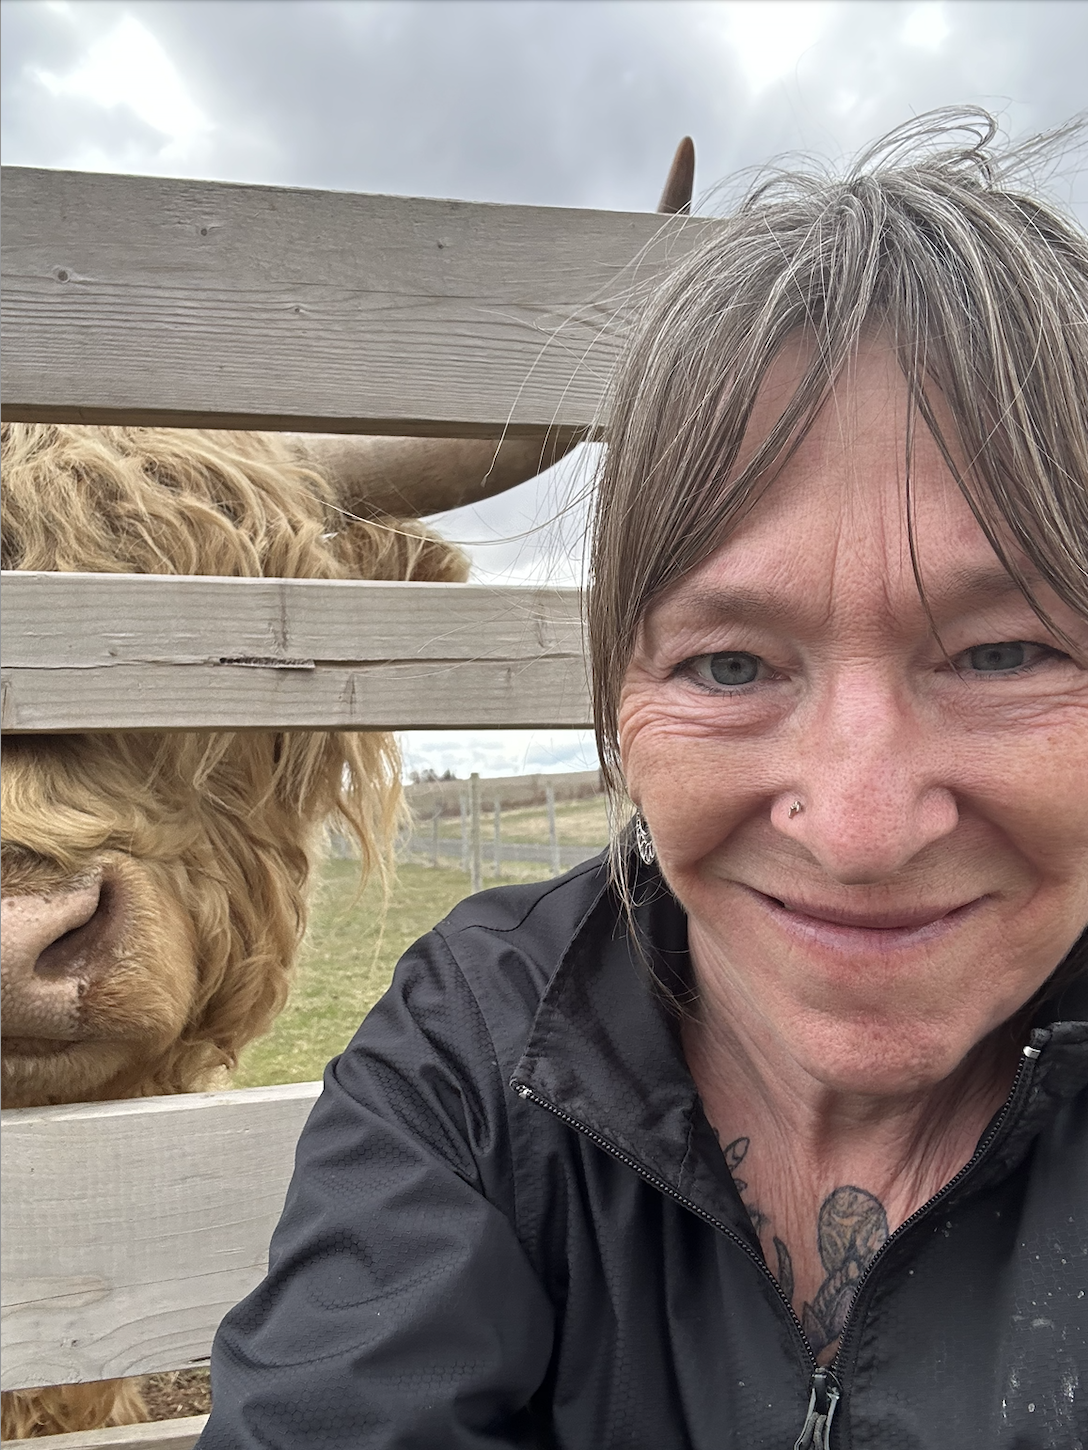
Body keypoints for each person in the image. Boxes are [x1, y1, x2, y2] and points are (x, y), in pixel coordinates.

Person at [198, 110, 1088, 1449]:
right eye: (730, 665)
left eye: (1005, 649)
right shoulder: (480, 1044)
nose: (854, 827)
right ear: (620, 707)